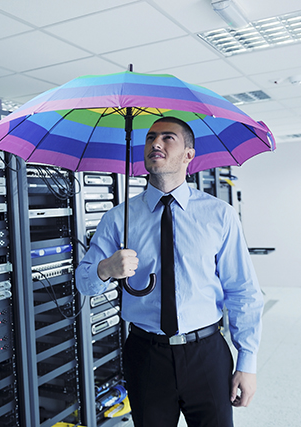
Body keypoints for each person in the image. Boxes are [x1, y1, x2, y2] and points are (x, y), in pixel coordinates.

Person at [75, 116, 263, 427]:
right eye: (150, 138)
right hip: (146, 355)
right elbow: (85, 283)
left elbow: (243, 291)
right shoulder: (118, 218)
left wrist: (248, 363)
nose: (155, 144)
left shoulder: (219, 215)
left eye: (167, 137)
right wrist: (106, 268)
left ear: (189, 154)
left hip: (206, 352)